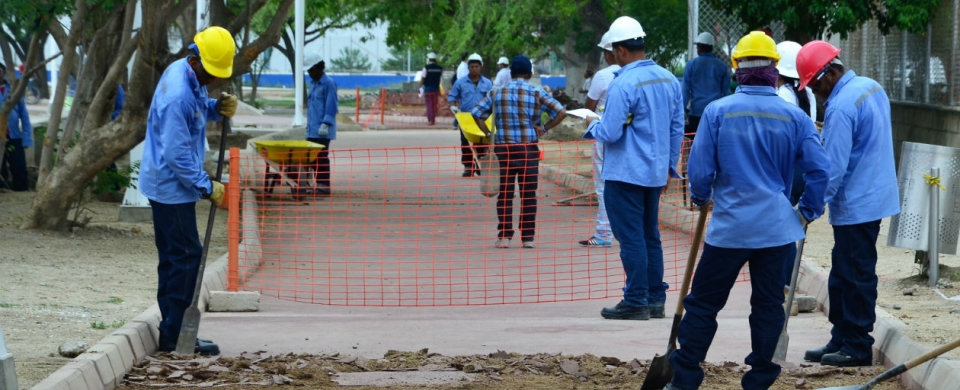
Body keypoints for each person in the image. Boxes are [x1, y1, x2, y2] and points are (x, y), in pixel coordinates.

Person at [664, 31, 829, 390]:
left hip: (729, 229)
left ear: (736, 68)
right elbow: (820, 171)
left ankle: (685, 376)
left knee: (704, 304)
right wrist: (807, 212)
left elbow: (701, 169)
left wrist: (701, 196)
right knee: (768, 306)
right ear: (774, 69)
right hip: (776, 230)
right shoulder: (795, 118)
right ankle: (759, 380)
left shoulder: (717, 112)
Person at [797, 40, 900, 368]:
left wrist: (810, 207)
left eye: (814, 84)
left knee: (855, 276)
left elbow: (833, 166)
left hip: (857, 202)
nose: (815, 92)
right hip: (871, 194)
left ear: (828, 74)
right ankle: (841, 337)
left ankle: (857, 345)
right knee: (842, 274)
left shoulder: (841, 106)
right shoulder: (870, 87)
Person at [138, 26, 238, 356]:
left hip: (170, 183)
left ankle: (173, 330)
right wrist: (208, 187)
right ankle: (176, 335)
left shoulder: (185, 74)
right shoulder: (177, 94)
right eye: (210, 73)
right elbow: (177, 154)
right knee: (184, 258)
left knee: (176, 257)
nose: (213, 79)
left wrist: (214, 108)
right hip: (171, 187)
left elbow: (194, 111)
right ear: (194, 59)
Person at [583, 16, 683, 320]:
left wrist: (591, 125)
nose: (610, 58)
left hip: (625, 172)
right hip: (654, 173)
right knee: (650, 235)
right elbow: (676, 127)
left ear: (621, 51)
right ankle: (654, 298)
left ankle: (636, 299)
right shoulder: (668, 78)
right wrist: (670, 167)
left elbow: (610, 132)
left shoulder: (623, 82)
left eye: (611, 52)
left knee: (631, 238)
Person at [471, 55, 567, 249]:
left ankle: (505, 236)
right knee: (528, 194)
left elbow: (476, 113)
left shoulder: (497, 91)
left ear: (511, 73)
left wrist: (489, 133)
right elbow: (561, 112)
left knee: (505, 193)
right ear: (530, 74)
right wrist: (545, 128)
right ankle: (528, 238)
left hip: (503, 149)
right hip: (528, 150)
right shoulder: (537, 91)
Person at [775, 40, 818, 290]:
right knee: (787, 225)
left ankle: (783, 283)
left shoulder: (782, 95)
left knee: (781, 227)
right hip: (804, 166)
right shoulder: (807, 94)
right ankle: (786, 282)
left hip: (789, 168)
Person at [577, 31, 620, 248]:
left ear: (609, 52)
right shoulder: (636, 74)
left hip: (603, 136)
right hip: (630, 139)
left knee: (603, 187)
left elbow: (589, 107)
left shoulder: (603, 76)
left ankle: (604, 233)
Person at [448, 53, 493, 177]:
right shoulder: (461, 82)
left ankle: (480, 164)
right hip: (466, 117)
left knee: (482, 140)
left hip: (482, 116)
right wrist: (453, 105)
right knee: (465, 141)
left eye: (476, 66)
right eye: (472, 66)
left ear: (481, 67)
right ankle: (468, 166)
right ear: (468, 68)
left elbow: (492, 97)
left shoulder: (488, 83)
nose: (474, 69)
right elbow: (452, 96)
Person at [682, 32, 730, 139]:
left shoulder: (691, 65)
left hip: (696, 113)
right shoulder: (722, 66)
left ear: (699, 48)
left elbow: (685, 90)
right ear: (712, 47)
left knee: (695, 142)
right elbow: (725, 93)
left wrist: (683, 110)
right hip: (715, 113)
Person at [306, 59, 338, 196]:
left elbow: (332, 105)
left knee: (322, 157)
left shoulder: (328, 83)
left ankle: (324, 186)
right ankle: (317, 184)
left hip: (323, 129)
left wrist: (326, 123)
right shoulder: (313, 84)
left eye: (310, 70)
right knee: (312, 158)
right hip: (312, 129)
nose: (309, 73)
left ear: (318, 68)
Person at [0, 62, 33, 192]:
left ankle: (22, 193)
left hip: (13, 136)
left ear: (4, 73)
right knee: (1, 170)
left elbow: (24, 116)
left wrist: (26, 138)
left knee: (19, 168)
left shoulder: (14, 91)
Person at [419, 53, 443, 125]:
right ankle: (433, 119)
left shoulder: (426, 68)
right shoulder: (440, 68)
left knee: (429, 105)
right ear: (435, 59)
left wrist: (419, 86)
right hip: (436, 89)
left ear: (429, 59)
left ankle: (430, 120)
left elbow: (423, 78)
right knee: (434, 105)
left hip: (428, 89)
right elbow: (439, 78)